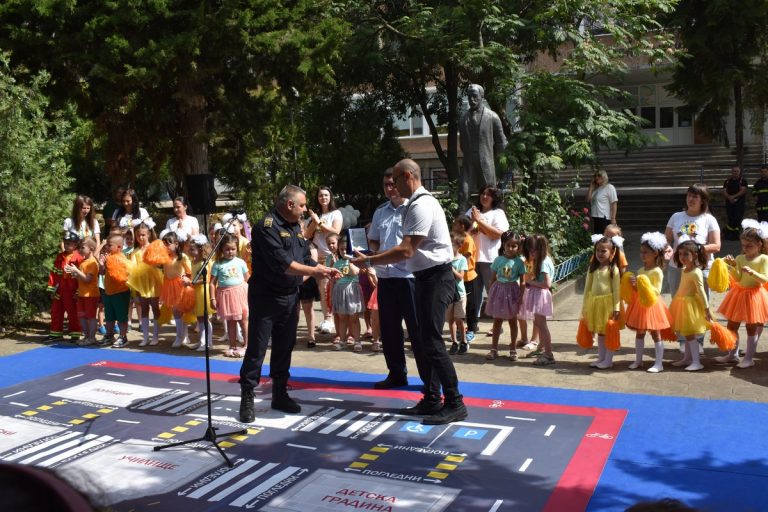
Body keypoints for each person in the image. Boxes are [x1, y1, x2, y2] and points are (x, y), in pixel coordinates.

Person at [353, 158, 467, 425]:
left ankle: (454, 402)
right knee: (427, 340)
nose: (391, 186)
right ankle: (431, 398)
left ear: (407, 177)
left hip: (436, 276)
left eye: (395, 180)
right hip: (425, 276)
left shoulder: (421, 204)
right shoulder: (414, 205)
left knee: (431, 341)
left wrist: (369, 261)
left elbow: (406, 250)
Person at [239, 185, 339, 423]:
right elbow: (285, 264)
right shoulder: (267, 227)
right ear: (289, 204)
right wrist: (316, 271)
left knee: (285, 346)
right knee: (257, 349)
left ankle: (279, 394)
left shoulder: (296, 227)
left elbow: (302, 257)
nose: (306, 210)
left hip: (289, 295)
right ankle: (247, 396)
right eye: (303, 205)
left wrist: (315, 268)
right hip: (266, 297)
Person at [367, 168, 420, 389]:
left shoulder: (414, 208)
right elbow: (374, 241)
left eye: (392, 184)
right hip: (385, 277)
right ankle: (396, 373)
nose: (390, 189)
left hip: (409, 276)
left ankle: (429, 378)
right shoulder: (380, 211)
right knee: (389, 329)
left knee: (417, 329)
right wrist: (375, 257)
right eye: (386, 185)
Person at [665, 184, 721, 352]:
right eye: (689, 195)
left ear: (703, 200)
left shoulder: (709, 219)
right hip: (677, 267)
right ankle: (683, 340)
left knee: (700, 302)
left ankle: (698, 340)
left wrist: (695, 249)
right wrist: (666, 249)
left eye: (695, 196)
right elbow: (666, 239)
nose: (690, 199)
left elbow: (716, 245)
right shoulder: (676, 216)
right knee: (679, 302)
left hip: (701, 267)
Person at [714, 221, 768, 368]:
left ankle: (749, 358)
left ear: (759, 244)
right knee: (732, 325)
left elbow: (765, 278)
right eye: (743, 245)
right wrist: (731, 267)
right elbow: (738, 278)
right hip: (738, 294)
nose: (745, 248)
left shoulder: (763, 259)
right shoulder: (740, 258)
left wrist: (753, 273)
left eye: (749, 246)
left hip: (754, 295)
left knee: (751, 327)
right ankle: (733, 354)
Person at [625, 232, 672, 373]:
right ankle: (638, 361)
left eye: (646, 252)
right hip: (641, 304)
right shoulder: (641, 270)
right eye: (641, 252)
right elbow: (639, 290)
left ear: (655, 253)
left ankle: (659, 363)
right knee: (639, 333)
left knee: (655, 333)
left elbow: (656, 291)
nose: (642, 255)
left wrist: (641, 283)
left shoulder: (657, 271)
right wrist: (634, 285)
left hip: (652, 306)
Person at [467, 186, 509, 336]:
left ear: (494, 198)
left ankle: (497, 324)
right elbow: (462, 231)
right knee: (473, 293)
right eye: (482, 193)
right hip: (472, 259)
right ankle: (473, 323)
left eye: (488, 195)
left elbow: (498, 235)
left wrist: (479, 222)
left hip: (490, 259)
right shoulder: (472, 212)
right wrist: (473, 226)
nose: (484, 196)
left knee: (493, 292)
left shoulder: (498, 213)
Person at [458, 84, 508, 210]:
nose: (471, 100)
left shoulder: (492, 117)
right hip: (469, 164)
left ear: (482, 97)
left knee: (489, 197)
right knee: (463, 194)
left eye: (475, 96)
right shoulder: (463, 119)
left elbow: (501, 142)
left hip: (486, 164)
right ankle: (460, 225)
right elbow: (462, 143)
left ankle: (491, 224)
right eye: (469, 97)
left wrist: (496, 162)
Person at [304, 186, 343, 335]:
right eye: (321, 195)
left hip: (329, 257)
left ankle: (329, 319)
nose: (323, 198)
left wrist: (319, 223)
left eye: (326, 195)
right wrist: (314, 222)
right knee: (321, 290)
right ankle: (327, 319)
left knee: (327, 289)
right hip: (315, 257)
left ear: (331, 197)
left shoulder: (336, 213)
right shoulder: (313, 216)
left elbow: (336, 231)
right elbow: (307, 235)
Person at [582, 235, 624, 369]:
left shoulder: (614, 270)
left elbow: (617, 291)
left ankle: (608, 360)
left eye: (603, 251)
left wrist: (616, 308)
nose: (600, 253)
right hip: (594, 304)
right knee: (600, 332)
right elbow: (587, 289)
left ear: (612, 252)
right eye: (598, 250)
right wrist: (585, 306)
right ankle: (601, 358)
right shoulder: (592, 269)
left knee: (608, 332)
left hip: (608, 306)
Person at [668, 239, 711, 371]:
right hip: (681, 303)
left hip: (690, 306)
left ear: (695, 255)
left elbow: (701, 291)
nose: (682, 257)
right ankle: (687, 358)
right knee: (685, 333)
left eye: (686, 254)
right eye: (680, 254)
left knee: (690, 334)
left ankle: (697, 362)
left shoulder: (696, 272)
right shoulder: (684, 270)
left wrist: (706, 309)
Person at [484, 231, 526, 361]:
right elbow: (492, 279)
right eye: (508, 245)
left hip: (512, 293)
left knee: (513, 322)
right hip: (498, 293)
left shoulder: (520, 262)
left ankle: (513, 349)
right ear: (503, 245)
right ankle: (494, 349)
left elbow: (523, 281)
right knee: (497, 322)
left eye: (514, 246)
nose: (511, 248)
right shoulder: (498, 260)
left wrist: (521, 296)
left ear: (518, 247)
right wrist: (491, 294)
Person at [211, 234, 250, 358]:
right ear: (222, 249)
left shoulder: (240, 262)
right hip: (226, 296)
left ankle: (247, 345)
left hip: (240, 294)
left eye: (233, 249)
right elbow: (212, 283)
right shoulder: (217, 264)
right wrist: (212, 298)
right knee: (230, 323)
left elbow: (248, 279)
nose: (230, 252)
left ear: (237, 249)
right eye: (227, 249)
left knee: (243, 321)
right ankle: (232, 346)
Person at [519, 234, 555, 365]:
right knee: (539, 323)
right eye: (529, 250)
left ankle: (549, 354)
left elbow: (547, 284)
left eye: (534, 250)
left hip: (541, 295)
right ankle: (541, 348)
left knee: (542, 325)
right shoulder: (543, 259)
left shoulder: (544, 262)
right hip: (538, 294)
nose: (531, 253)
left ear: (541, 249)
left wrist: (530, 282)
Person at [126, 220, 162, 346]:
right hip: (142, 284)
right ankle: (145, 337)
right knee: (144, 308)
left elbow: (159, 263)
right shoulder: (135, 252)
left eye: (143, 235)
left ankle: (155, 336)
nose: (140, 237)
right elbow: (133, 269)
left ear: (148, 235)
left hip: (153, 282)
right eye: (138, 235)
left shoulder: (153, 248)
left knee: (155, 307)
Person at [326, 234, 364, 351]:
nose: (343, 252)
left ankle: (357, 341)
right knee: (342, 318)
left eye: (346, 249)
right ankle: (342, 341)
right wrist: (331, 295)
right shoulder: (337, 263)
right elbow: (332, 280)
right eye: (341, 249)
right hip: (340, 291)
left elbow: (355, 272)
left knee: (354, 318)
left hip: (352, 291)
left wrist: (350, 260)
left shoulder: (355, 261)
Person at [159, 230, 194, 348]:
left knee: (181, 310)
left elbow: (190, 271)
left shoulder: (182, 257)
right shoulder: (165, 258)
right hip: (169, 286)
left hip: (181, 285)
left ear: (176, 244)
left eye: (168, 244)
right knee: (176, 311)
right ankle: (181, 336)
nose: (166, 247)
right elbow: (165, 273)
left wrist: (186, 278)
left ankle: (182, 336)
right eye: (164, 244)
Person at [46, 232, 83, 341]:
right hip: (59, 290)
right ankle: (55, 334)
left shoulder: (79, 258)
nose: (66, 245)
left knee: (73, 313)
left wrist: (78, 291)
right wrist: (51, 288)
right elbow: (54, 273)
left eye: (69, 243)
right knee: (56, 311)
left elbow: (81, 277)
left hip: (71, 291)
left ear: (75, 245)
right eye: (65, 243)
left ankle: (75, 334)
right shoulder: (60, 257)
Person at [451, 214, 480, 347]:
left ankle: (472, 329)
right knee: (461, 306)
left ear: (462, 226)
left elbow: (466, 258)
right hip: (460, 279)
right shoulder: (460, 239)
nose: (453, 226)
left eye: (455, 224)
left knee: (470, 305)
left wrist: (458, 269)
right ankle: (463, 329)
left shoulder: (467, 240)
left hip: (468, 277)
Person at [66, 237, 99, 346]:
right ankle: (87, 336)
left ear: (91, 248)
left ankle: (92, 337)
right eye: (79, 247)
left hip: (91, 294)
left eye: (82, 247)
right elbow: (81, 278)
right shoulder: (83, 262)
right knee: (82, 316)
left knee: (91, 317)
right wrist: (73, 272)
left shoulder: (92, 262)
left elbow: (87, 279)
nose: (80, 249)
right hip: (82, 294)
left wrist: (76, 271)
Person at [101, 234, 132, 348]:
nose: (107, 247)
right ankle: (109, 335)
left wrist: (107, 262)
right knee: (109, 316)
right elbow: (101, 273)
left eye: (110, 245)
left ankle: (123, 337)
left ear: (119, 247)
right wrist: (102, 265)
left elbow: (121, 276)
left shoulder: (121, 259)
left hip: (120, 292)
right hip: (108, 292)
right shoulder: (108, 258)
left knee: (121, 317)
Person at [188, 234, 214, 352]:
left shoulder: (205, 262)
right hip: (197, 292)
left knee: (204, 318)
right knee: (199, 318)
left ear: (200, 249)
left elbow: (207, 279)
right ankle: (202, 341)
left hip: (204, 291)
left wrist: (191, 282)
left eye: (192, 249)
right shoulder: (194, 262)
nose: (190, 251)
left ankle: (208, 342)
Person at [446, 233, 469, 356]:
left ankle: (464, 341)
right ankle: (454, 342)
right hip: (448, 293)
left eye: (452, 244)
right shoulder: (446, 259)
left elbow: (461, 277)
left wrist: (451, 268)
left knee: (459, 318)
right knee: (450, 320)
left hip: (459, 294)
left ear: (459, 246)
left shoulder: (462, 259)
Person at [298, 234, 320, 348]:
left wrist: (302, 279)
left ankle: (311, 336)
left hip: (306, 282)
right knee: (293, 311)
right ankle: (290, 336)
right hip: (293, 281)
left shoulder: (309, 245)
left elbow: (314, 265)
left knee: (308, 310)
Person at [587, 170, 618, 235]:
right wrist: (591, 187)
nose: (596, 178)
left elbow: (614, 203)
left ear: (604, 177)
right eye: (595, 176)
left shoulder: (609, 187)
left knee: (605, 239)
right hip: (596, 218)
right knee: (598, 239)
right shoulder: (596, 189)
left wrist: (613, 218)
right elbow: (588, 200)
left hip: (604, 218)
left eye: (599, 175)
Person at [723, 165, 748, 240]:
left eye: (737, 171)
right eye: (734, 171)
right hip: (729, 203)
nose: (735, 173)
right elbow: (724, 191)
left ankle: (725, 230)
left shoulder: (743, 181)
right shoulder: (727, 181)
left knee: (737, 218)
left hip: (739, 203)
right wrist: (729, 197)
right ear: (732, 172)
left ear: (739, 172)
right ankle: (734, 236)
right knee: (731, 218)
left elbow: (743, 191)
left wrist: (733, 197)